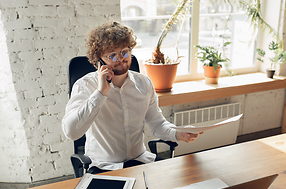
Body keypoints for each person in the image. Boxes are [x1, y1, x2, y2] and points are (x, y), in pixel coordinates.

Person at [62, 21, 201, 174]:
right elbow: (71, 132)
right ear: (98, 62)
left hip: (141, 162)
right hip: (103, 167)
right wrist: (100, 93)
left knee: (180, 186)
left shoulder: (144, 83)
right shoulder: (85, 86)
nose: (121, 58)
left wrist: (179, 132)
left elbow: (157, 124)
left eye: (124, 52)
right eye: (112, 55)